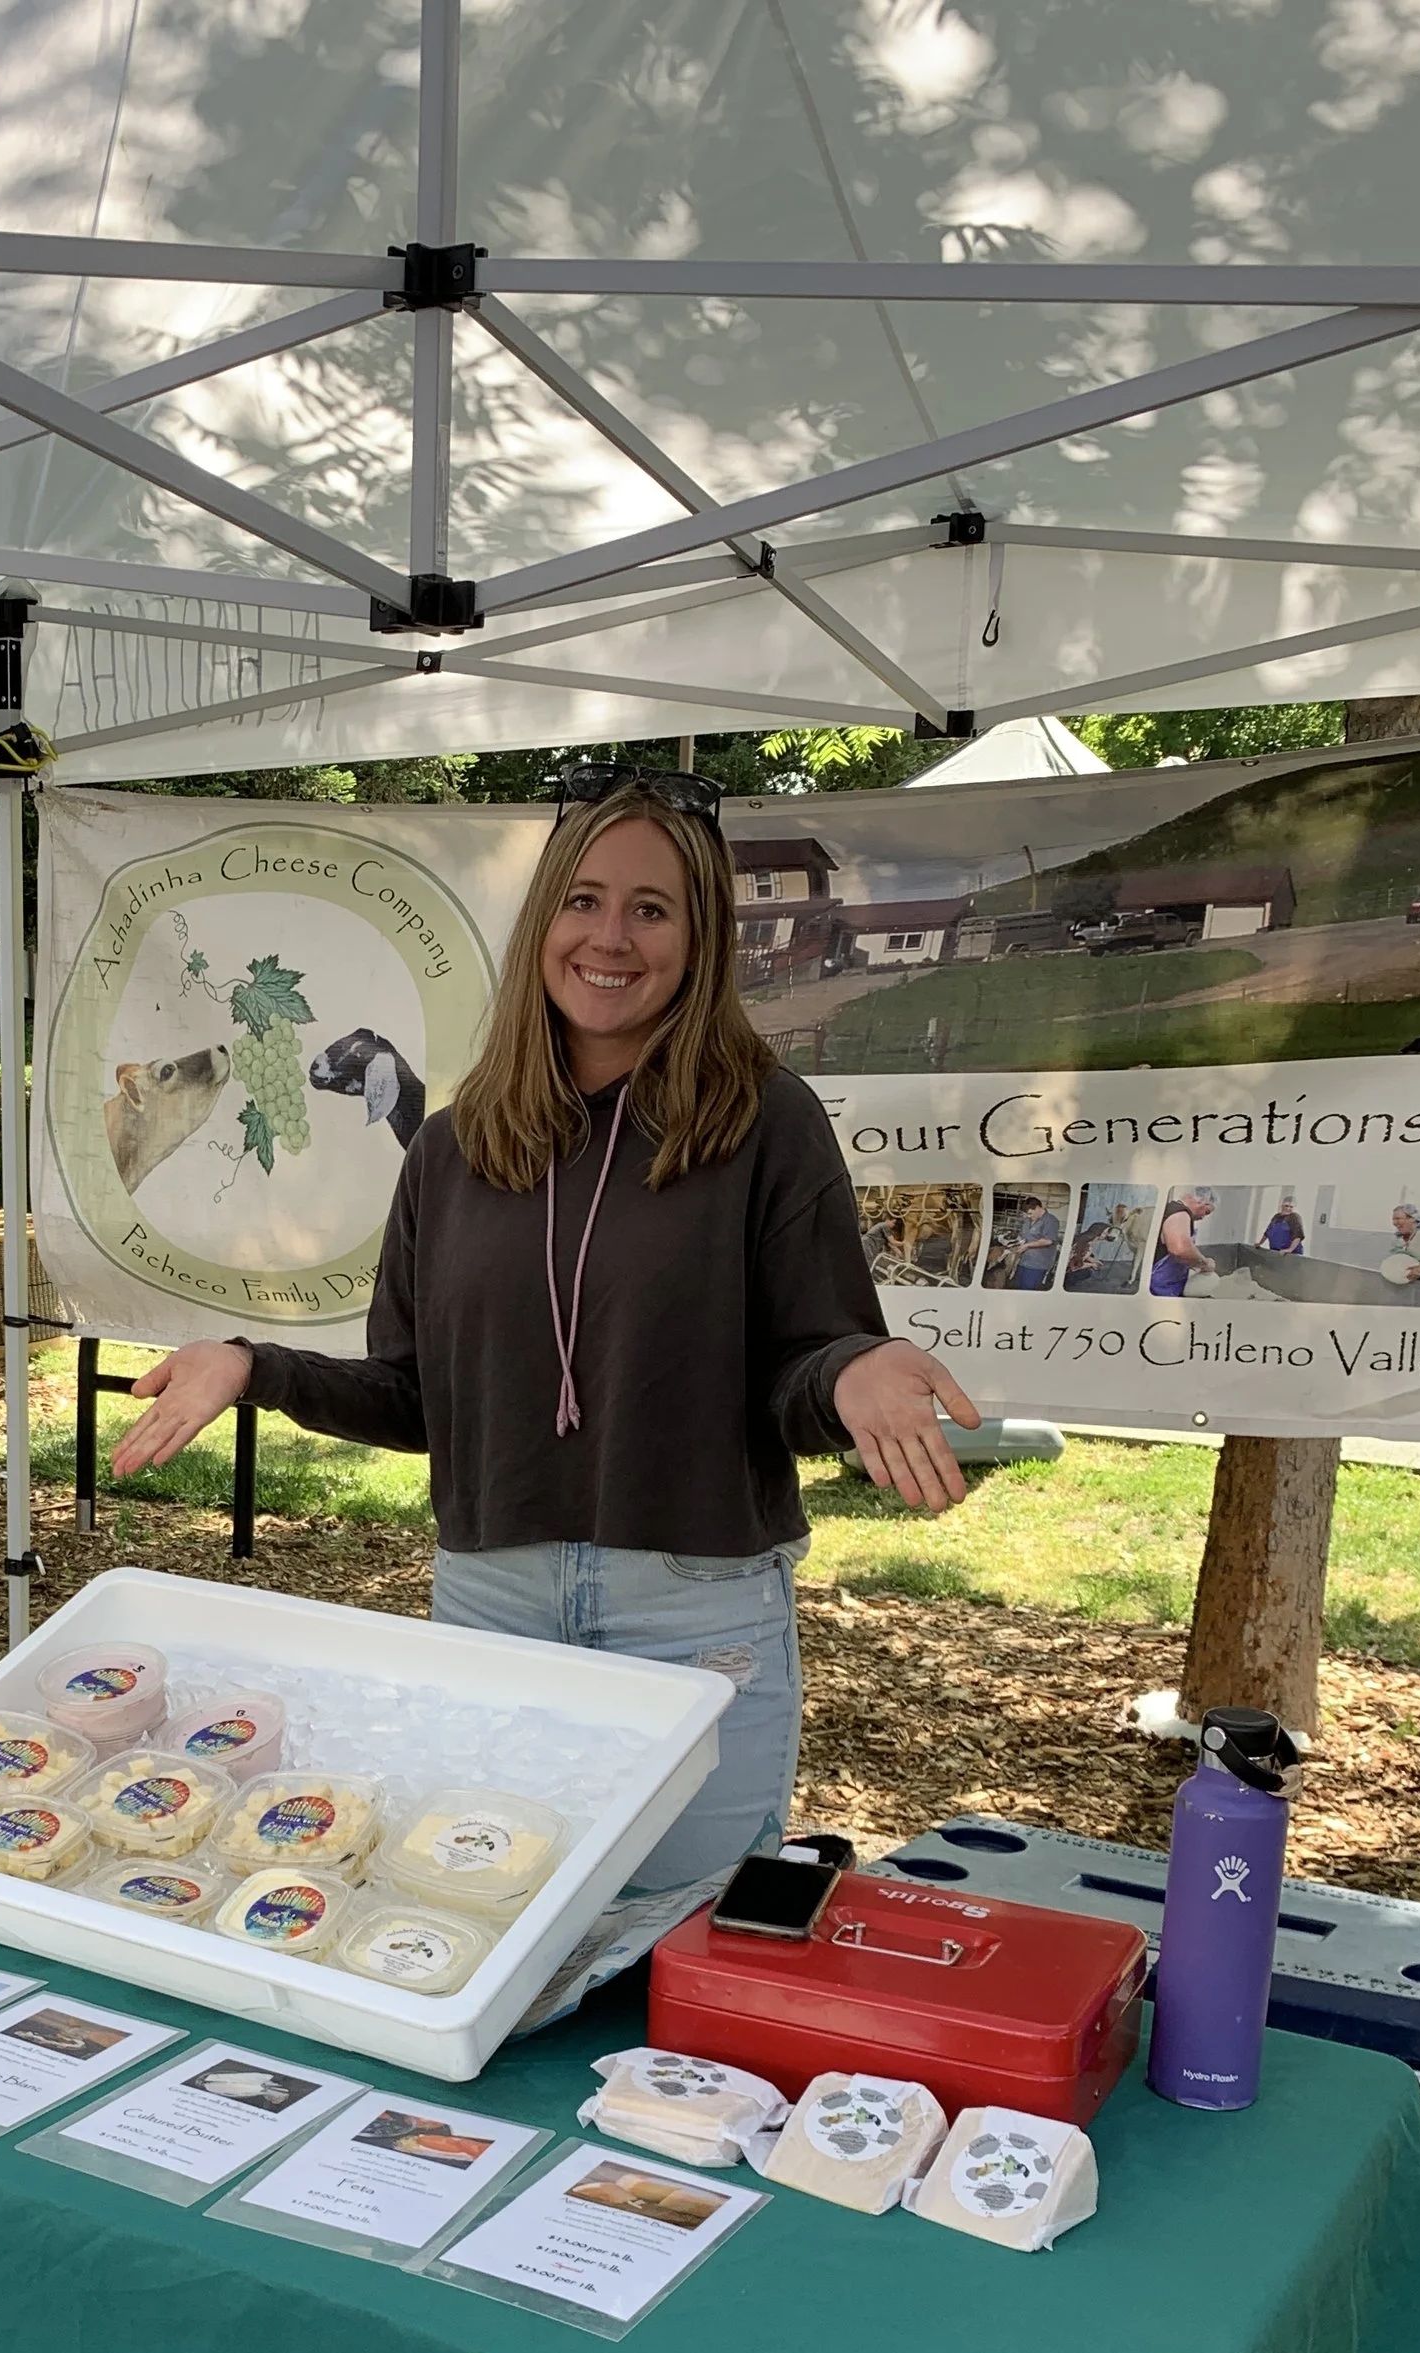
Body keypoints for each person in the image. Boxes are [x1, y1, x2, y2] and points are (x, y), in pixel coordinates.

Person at [111, 773, 978, 1888]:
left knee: (685, 1929)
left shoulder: (764, 1122)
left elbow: (799, 1368)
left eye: (651, 909)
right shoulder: (452, 1146)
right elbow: (416, 1397)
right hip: (492, 1601)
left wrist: (850, 1369)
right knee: (480, 1905)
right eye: (583, 901)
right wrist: (253, 1366)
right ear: (542, 925)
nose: (610, 938)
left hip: (692, 1609)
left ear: (699, 939)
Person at [1149, 1188, 1217, 1295]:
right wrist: (1204, 1263)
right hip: (1160, 1289)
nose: (1203, 1217)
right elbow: (1180, 1250)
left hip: (1168, 1286)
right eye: (1206, 1211)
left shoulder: (1174, 1211)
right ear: (1201, 1201)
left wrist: (1192, 1264)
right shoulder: (1180, 1214)